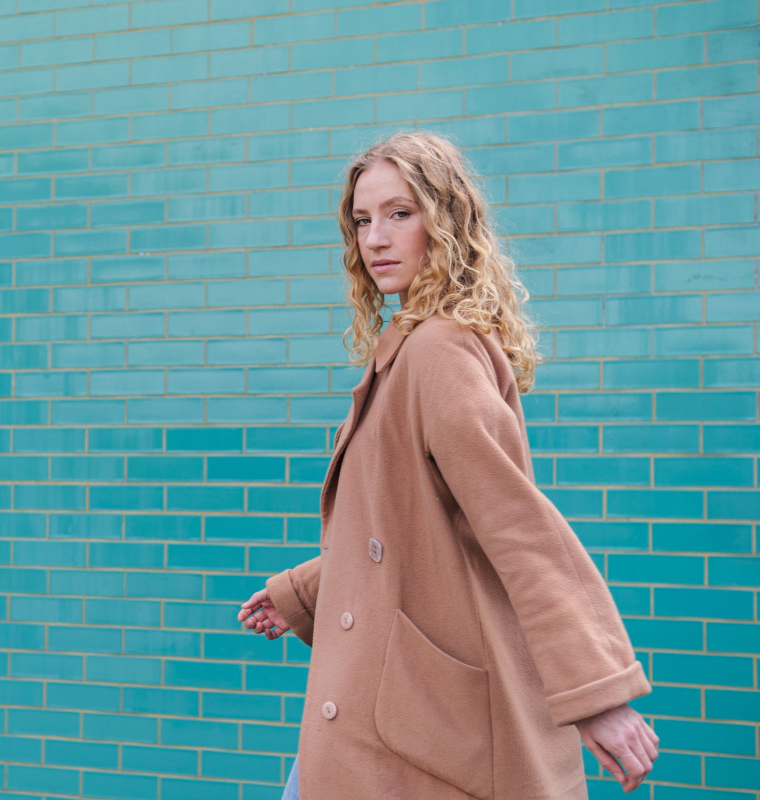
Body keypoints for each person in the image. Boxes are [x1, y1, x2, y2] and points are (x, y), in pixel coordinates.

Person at [237, 132, 659, 799]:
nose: (376, 238)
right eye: (362, 219)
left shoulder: (438, 353)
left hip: (410, 726)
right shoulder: (408, 343)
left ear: (446, 221)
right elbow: (407, 521)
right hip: (378, 711)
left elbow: (515, 524)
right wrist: (307, 592)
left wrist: (598, 690)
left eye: (399, 214)